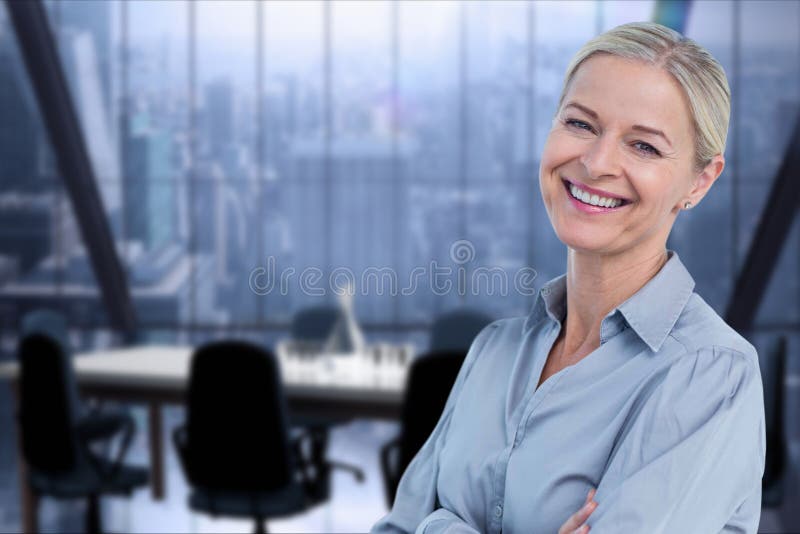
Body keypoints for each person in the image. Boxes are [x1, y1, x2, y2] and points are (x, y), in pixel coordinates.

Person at [372, 21, 765, 534]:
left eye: (643, 146)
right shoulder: (494, 351)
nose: (597, 162)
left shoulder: (711, 375)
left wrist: (442, 524)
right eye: (580, 124)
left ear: (699, 181)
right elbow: (398, 527)